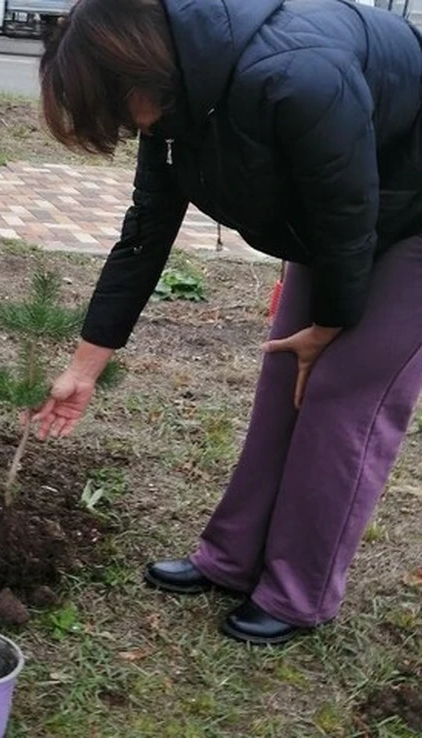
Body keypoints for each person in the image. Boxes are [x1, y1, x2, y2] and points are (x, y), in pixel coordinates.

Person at [36, 0, 422, 645]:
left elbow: (348, 209)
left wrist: (330, 325)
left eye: (114, 112)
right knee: (284, 377)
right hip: (348, 216)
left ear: (135, 74)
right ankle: (232, 557)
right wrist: (84, 369)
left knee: (343, 396)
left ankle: (299, 592)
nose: (128, 133)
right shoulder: (174, 104)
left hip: (404, 217)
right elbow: (144, 237)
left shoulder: (295, 74)